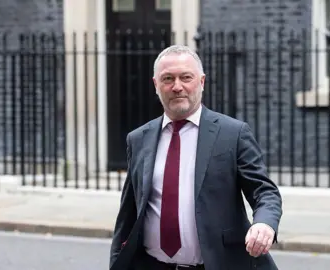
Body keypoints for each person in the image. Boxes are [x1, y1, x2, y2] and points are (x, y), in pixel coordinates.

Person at [109, 45, 283, 270]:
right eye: (168, 78)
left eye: (186, 77)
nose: (177, 86)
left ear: (201, 82)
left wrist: (264, 224)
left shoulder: (233, 133)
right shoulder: (138, 139)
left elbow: (264, 191)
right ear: (156, 85)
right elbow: (128, 214)